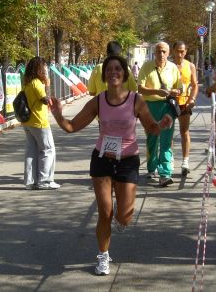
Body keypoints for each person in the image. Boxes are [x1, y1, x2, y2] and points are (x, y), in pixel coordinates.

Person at [49, 55, 173, 275]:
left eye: (118, 69)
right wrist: (58, 115)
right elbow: (71, 126)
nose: (113, 72)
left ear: (124, 74)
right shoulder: (98, 101)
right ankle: (103, 256)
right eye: (109, 70)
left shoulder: (136, 100)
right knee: (105, 212)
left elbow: (151, 128)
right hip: (102, 160)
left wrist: (161, 125)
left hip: (127, 162)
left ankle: (120, 220)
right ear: (104, 75)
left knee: (124, 215)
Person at [137, 41, 180, 186]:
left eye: (164, 52)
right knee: (152, 138)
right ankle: (151, 167)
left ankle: (165, 173)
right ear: (154, 52)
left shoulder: (173, 68)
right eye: (159, 51)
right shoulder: (147, 66)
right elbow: (140, 89)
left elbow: (178, 87)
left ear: (168, 53)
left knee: (166, 141)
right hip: (149, 107)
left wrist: (176, 91)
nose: (161, 54)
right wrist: (157, 91)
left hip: (167, 107)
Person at [22, 57, 60, 190]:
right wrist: (48, 84)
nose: (46, 69)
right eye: (44, 67)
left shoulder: (27, 82)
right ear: (38, 69)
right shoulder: (37, 83)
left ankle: (30, 181)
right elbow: (46, 100)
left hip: (28, 122)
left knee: (31, 151)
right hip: (39, 122)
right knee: (47, 150)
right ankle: (45, 181)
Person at [172, 41, 199, 175]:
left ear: (186, 52)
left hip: (184, 102)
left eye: (182, 51)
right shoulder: (169, 65)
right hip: (170, 102)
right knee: (168, 132)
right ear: (173, 51)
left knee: (184, 131)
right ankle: (169, 160)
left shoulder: (190, 66)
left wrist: (192, 99)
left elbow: (195, 85)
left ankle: (185, 161)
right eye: (177, 51)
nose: (180, 54)